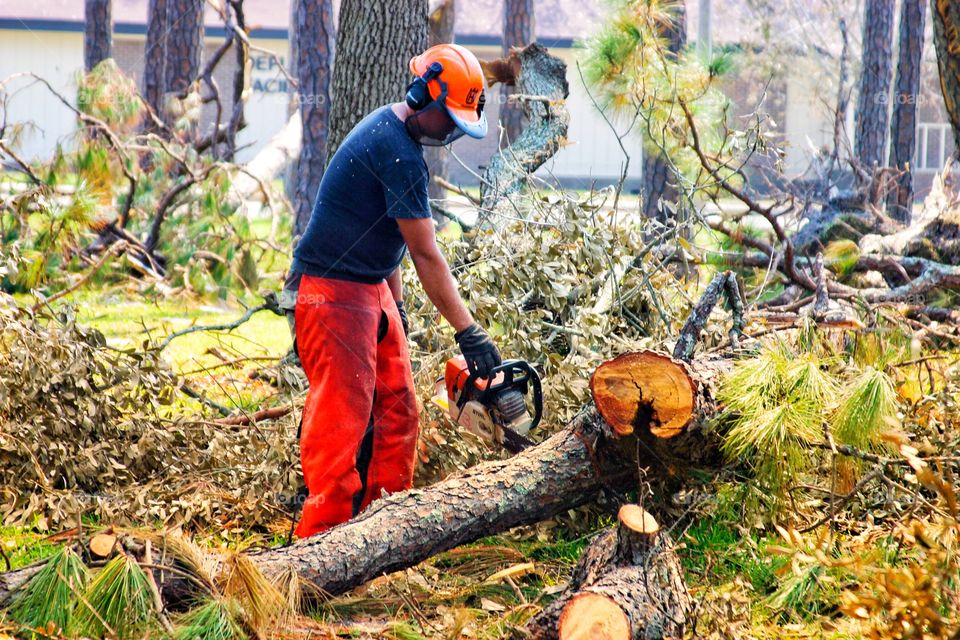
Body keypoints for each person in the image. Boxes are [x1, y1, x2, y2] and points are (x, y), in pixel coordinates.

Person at [289, 44, 502, 538]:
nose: (450, 130)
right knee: (342, 420)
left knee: (399, 409)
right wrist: (468, 332)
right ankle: (318, 546)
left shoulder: (396, 135)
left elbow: (389, 240)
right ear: (423, 94)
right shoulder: (396, 151)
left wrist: (398, 308)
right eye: (448, 118)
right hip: (332, 290)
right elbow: (427, 253)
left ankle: (383, 533)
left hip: (371, 287)